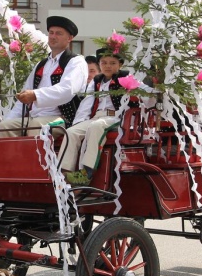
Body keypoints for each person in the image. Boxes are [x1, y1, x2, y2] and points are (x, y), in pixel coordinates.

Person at [58, 47, 151, 182]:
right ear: (99, 64)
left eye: (112, 63)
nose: (107, 66)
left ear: (120, 65)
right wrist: (79, 122)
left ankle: (87, 172)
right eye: (104, 62)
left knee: (97, 126)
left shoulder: (126, 77)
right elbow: (86, 103)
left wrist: (156, 90)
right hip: (97, 116)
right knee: (71, 132)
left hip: (117, 117)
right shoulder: (97, 80)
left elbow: (146, 92)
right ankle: (64, 173)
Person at [0, 16, 87, 136]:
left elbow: (67, 90)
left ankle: (33, 155)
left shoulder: (76, 62)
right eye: (51, 33)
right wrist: (8, 119)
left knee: (37, 125)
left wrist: (35, 95)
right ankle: (11, 155)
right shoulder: (42, 64)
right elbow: (24, 96)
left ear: (70, 38)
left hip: (62, 119)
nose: (53, 36)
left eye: (59, 33)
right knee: (5, 126)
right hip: (35, 118)